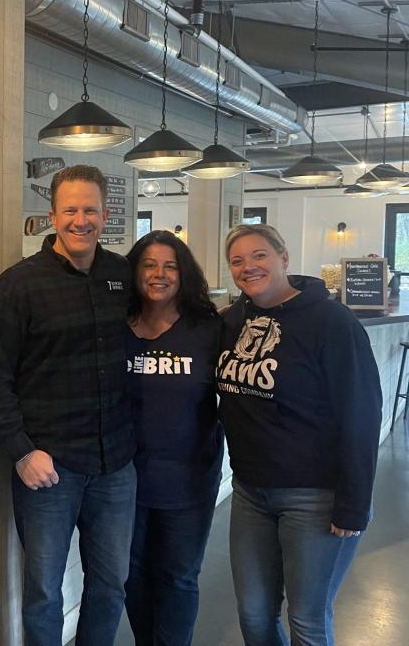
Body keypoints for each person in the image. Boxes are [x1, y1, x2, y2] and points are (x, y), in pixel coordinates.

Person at [0, 165, 136, 646]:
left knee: (111, 586)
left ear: (106, 215)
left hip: (116, 465)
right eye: (70, 210)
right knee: (45, 594)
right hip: (49, 469)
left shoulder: (121, 275)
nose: (80, 220)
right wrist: (22, 452)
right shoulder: (16, 286)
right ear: (52, 215)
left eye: (90, 210)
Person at [217, 224, 381, 646]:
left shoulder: (331, 323)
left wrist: (354, 504)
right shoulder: (234, 320)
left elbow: (361, 414)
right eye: (237, 260)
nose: (248, 267)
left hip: (314, 495)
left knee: (307, 619)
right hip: (251, 492)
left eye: (259, 256)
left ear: (283, 258)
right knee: (254, 614)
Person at [123, 230, 224, 646]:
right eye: (149, 264)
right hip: (123, 481)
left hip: (189, 480)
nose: (159, 274)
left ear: (184, 274)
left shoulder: (209, 329)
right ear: (134, 272)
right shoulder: (116, 327)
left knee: (178, 577)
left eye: (170, 266)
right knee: (131, 575)